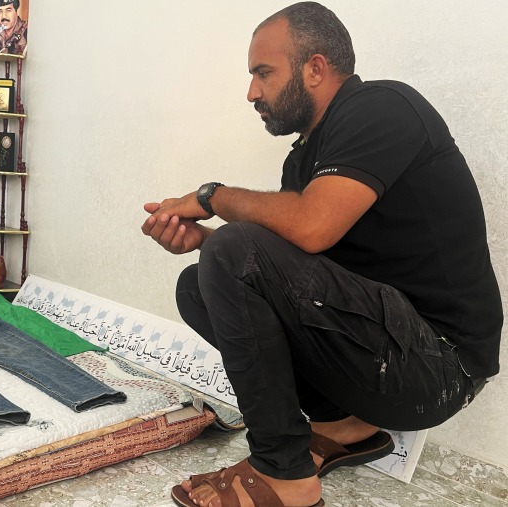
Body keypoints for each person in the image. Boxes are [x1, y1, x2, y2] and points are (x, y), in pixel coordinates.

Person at [141, 3, 502, 507]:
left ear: (315, 67)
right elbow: (283, 273)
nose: (252, 92)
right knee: (197, 283)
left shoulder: (383, 107)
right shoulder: (305, 159)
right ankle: (341, 429)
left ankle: (284, 475)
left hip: (442, 364)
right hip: (387, 348)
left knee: (233, 248)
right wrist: (207, 247)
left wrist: (211, 197)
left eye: (263, 73)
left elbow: (310, 227)